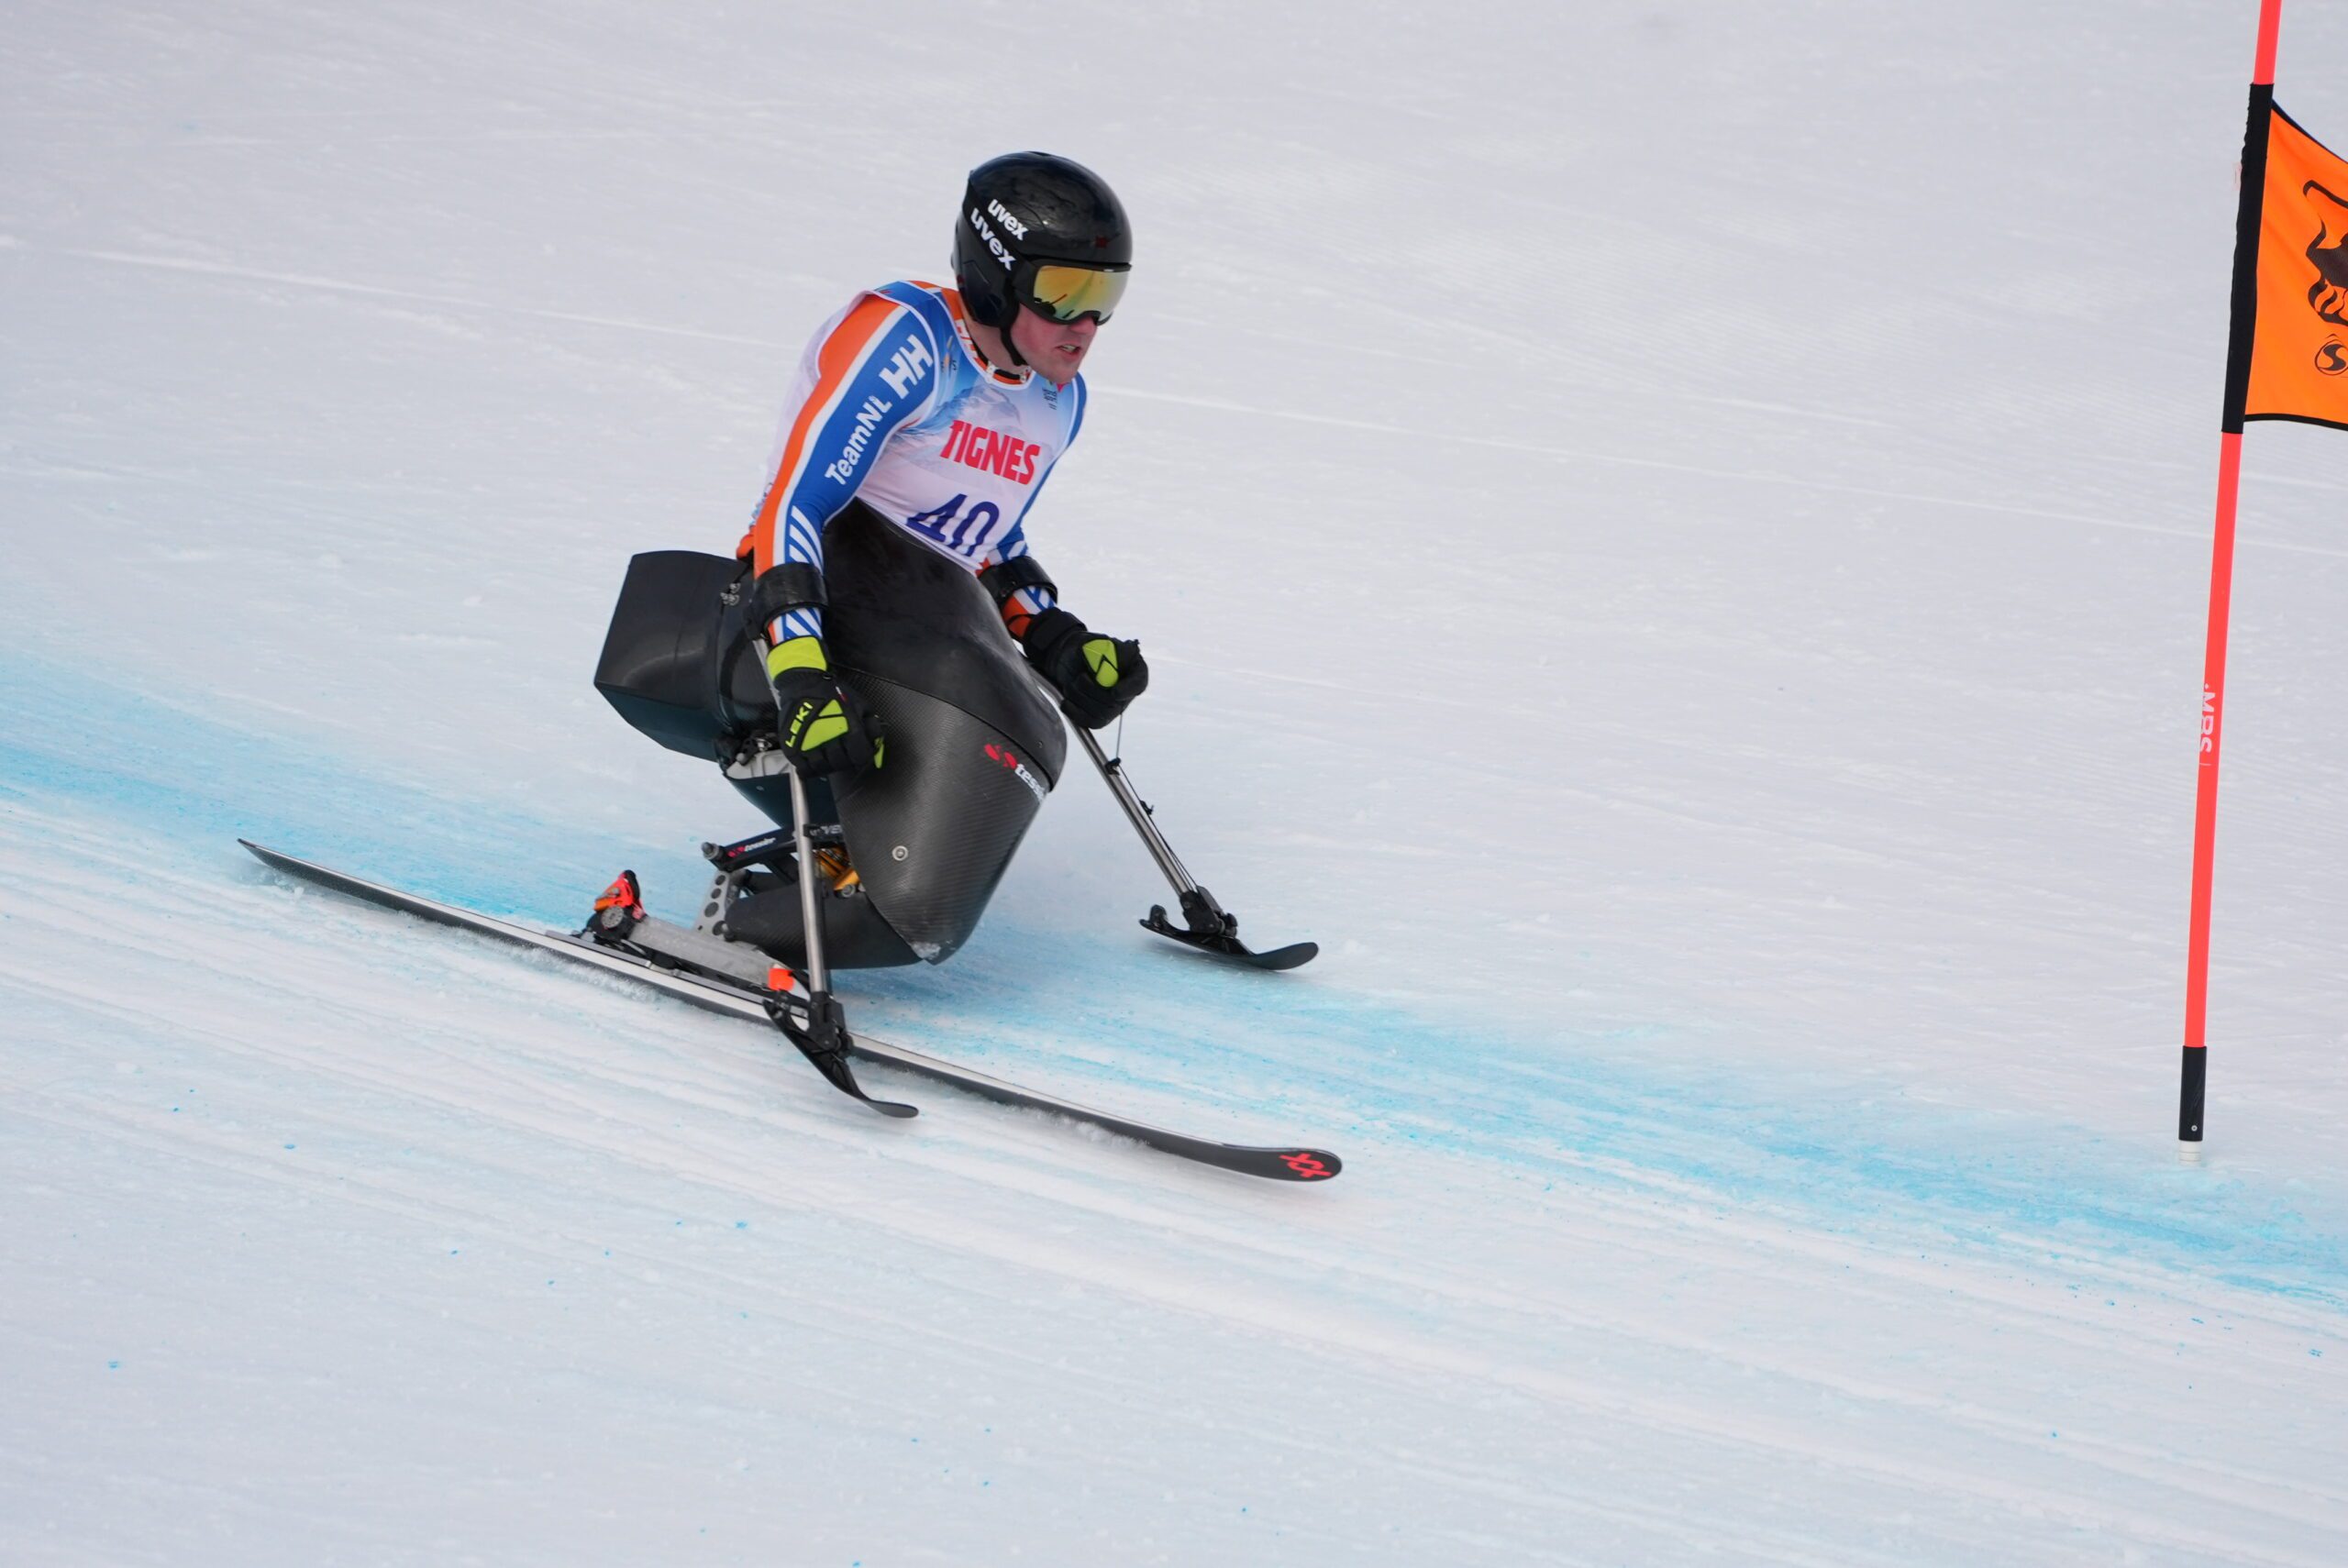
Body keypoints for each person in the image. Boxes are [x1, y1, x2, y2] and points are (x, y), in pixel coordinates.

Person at [735, 150, 1150, 783]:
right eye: (1064, 294)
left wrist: (1057, 638)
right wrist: (798, 667)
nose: (1087, 325)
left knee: (1024, 732)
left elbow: (985, 541)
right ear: (997, 277)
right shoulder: (909, 341)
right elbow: (798, 503)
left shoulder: (1058, 400)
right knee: (960, 695)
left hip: (929, 624)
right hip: (811, 604)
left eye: (1105, 294)